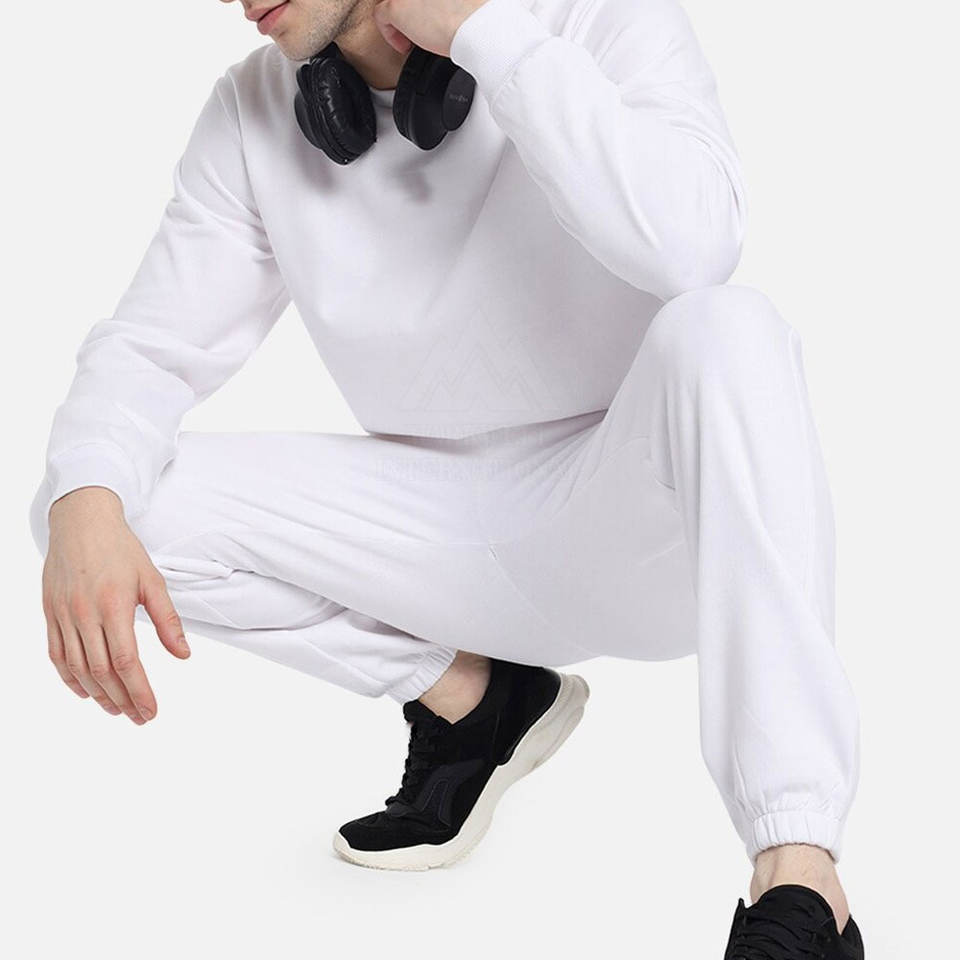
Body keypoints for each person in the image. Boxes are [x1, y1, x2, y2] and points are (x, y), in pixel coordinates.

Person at [30, 0, 864, 955]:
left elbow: (697, 246)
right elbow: (149, 348)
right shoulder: (252, 108)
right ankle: (475, 698)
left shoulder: (592, 14)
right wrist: (85, 496)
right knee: (97, 503)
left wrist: (487, 35)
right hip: (438, 539)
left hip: (642, 516)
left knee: (729, 331)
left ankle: (799, 872)